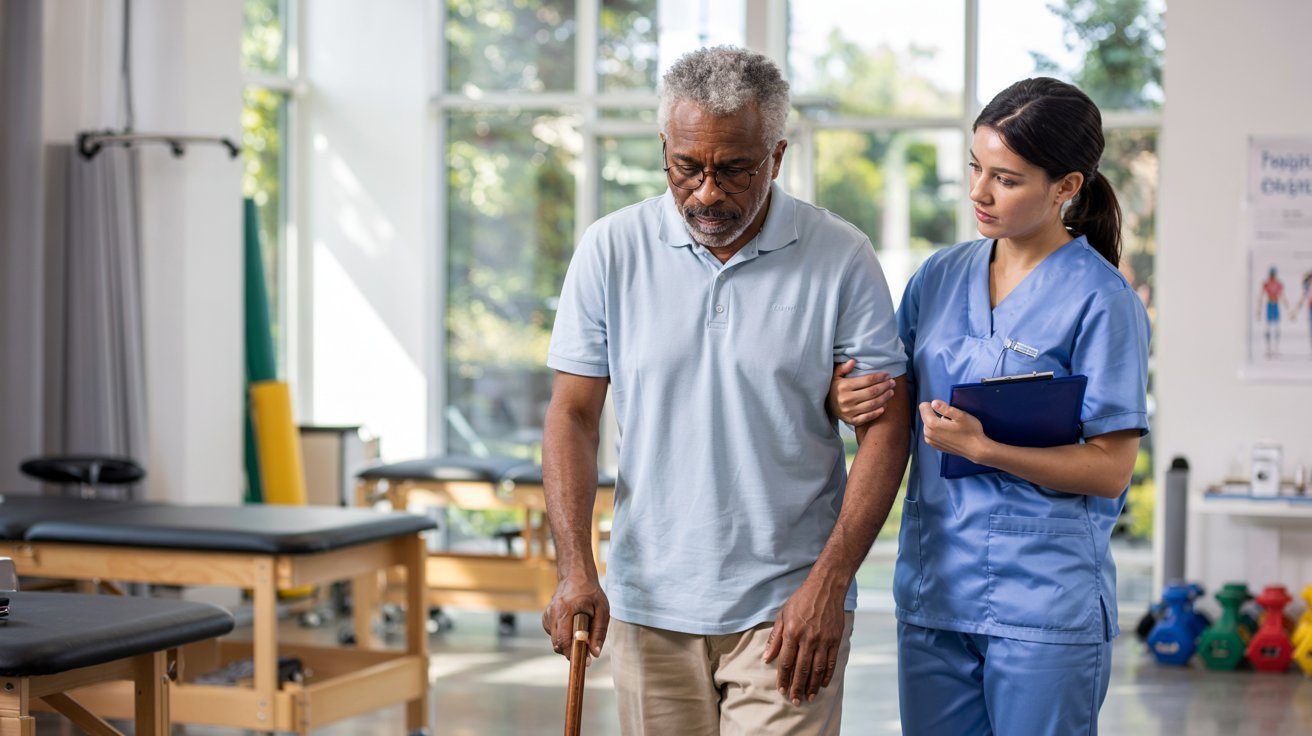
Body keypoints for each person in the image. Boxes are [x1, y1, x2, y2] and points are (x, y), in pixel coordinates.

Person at [541, 46, 911, 735]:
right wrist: (575, 569)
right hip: (649, 604)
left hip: (789, 604)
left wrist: (829, 586)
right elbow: (572, 414)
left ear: (775, 156)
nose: (707, 193)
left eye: (734, 169)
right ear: (664, 148)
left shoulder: (841, 256)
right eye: (687, 167)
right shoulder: (609, 249)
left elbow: (886, 429)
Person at [831, 77, 1151, 735]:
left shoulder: (1101, 300)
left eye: (1005, 178)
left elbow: (1110, 468)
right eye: (975, 168)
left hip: (1045, 605)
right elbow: (887, 406)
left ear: (1065, 187)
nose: (978, 192)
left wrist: (985, 450)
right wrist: (847, 396)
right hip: (935, 591)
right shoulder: (938, 278)